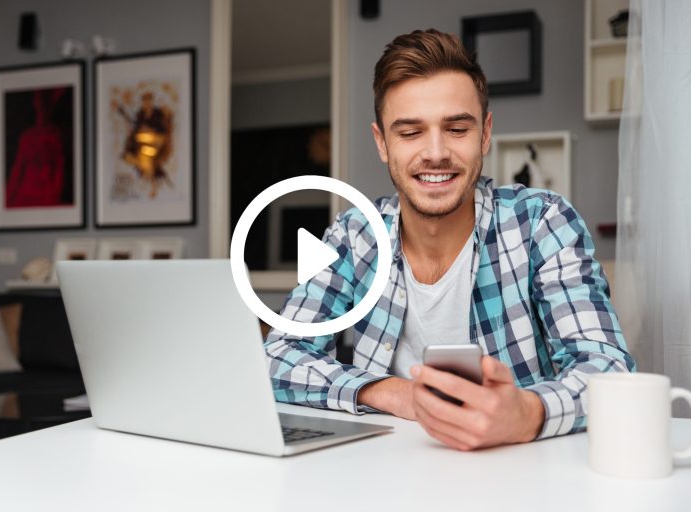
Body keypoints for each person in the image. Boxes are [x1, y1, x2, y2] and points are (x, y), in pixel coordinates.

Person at [263, 29, 636, 451]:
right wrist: (393, 393)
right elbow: (278, 356)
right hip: (382, 471)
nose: (436, 152)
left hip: (523, 471)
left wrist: (528, 414)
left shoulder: (543, 222)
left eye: (457, 128)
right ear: (382, 143)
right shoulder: (353, 235)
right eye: (410, 133)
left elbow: (608, 371)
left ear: (485, 133)